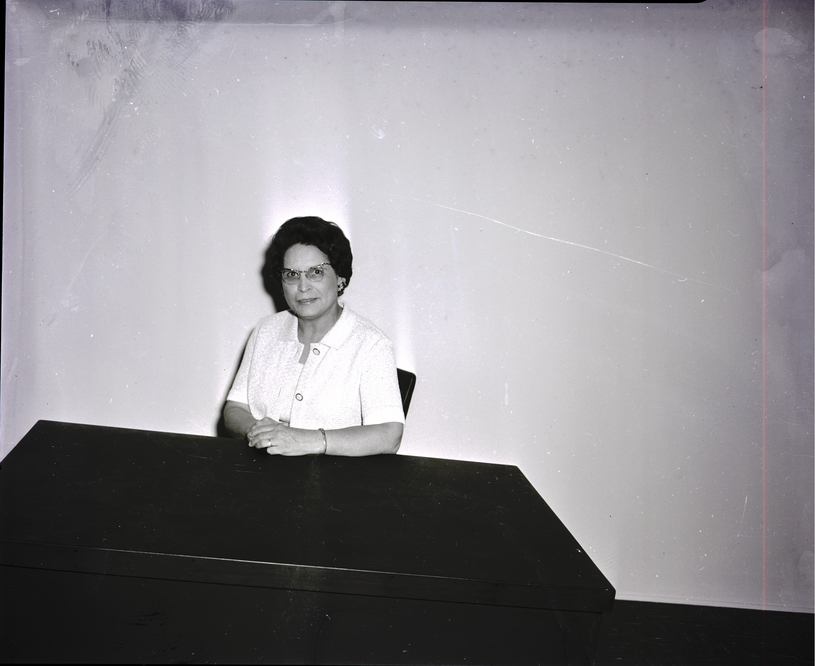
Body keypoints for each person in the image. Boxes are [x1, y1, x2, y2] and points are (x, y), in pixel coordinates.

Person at [223, 216, 405, 456]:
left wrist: (305, 441)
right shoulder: (266, 330)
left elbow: (390, 435)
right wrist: (259, 434)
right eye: (291, 274)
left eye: (316, 272)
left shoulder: (371, 344)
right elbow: (235, 408)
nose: (302, 286)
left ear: (340, 278)